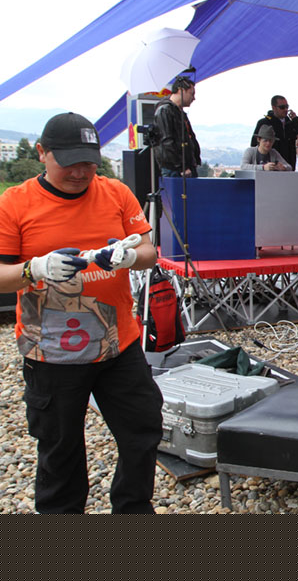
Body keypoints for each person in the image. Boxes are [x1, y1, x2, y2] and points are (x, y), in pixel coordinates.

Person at [0, 113, 162, 513]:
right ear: (42, 153)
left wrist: (129, 257)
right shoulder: (14, 203)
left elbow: (148, 251)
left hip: (118, 344)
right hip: (51, 353)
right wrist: (34, 269)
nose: (80, 172)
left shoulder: (115, 193)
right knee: (61, 448)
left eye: (89, 162)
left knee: (142, 430)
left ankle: (133, 512)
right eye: (70, 162)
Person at [153, 76, 201, 178]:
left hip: (186, 167)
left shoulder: (180, 113)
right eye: (191, 94)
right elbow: (167, 142)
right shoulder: (165, 110)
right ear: (181, 90)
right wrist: (181, 167)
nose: (193, 98)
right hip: (175, 170)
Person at [250, 95, 298, 170]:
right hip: (270, 167)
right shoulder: (264, 122)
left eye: (287, 107)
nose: (286, 109)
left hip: (289, 166)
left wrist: (296, 119)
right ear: (274, 108)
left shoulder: (291, 123)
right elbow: (254, 144)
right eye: (282, 107)